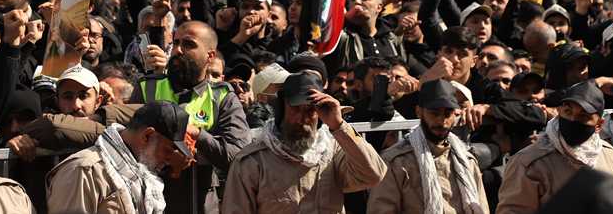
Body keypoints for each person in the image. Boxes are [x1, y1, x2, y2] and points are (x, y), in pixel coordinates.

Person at [221, 72, 386, 214]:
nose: (301, 119)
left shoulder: (333, 151)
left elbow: (373, 175)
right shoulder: (252, 161)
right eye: (295, 109)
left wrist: (338, 125)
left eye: (309, 110)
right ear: (281, 109)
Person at [134, 20, 249, 213]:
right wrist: (168, 157)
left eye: (188, 44)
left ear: (210, 56)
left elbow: (237, 156)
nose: (178, 50)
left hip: (201, 204)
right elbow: (127, 144)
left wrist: (195, 134)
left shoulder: (222, 97)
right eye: (176, 43)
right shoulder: (148, 87)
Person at [496, 80, 613, 213]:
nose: (573, 120)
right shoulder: (529, 163)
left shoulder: (610, 157)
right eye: (568, 111)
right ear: (559, 112)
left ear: (599, 125)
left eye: (583, 116)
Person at [46, 101, 192, 214]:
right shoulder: (83, 171)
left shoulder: (142, 173)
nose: (169, 159)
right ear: (147, 136)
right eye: (167, 150)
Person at [368, 79, 488, 214]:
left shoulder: (467, 161)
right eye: (434, 113)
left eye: (447, 114)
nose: (441, 121)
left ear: (455, 114)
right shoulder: (396, 162)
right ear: (419, 112)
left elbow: (482, 207)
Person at [324, 0, 406, 74]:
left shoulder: (390, 38)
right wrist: (346, 19)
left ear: (379, 7)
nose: (357, 2)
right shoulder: (342, 36)